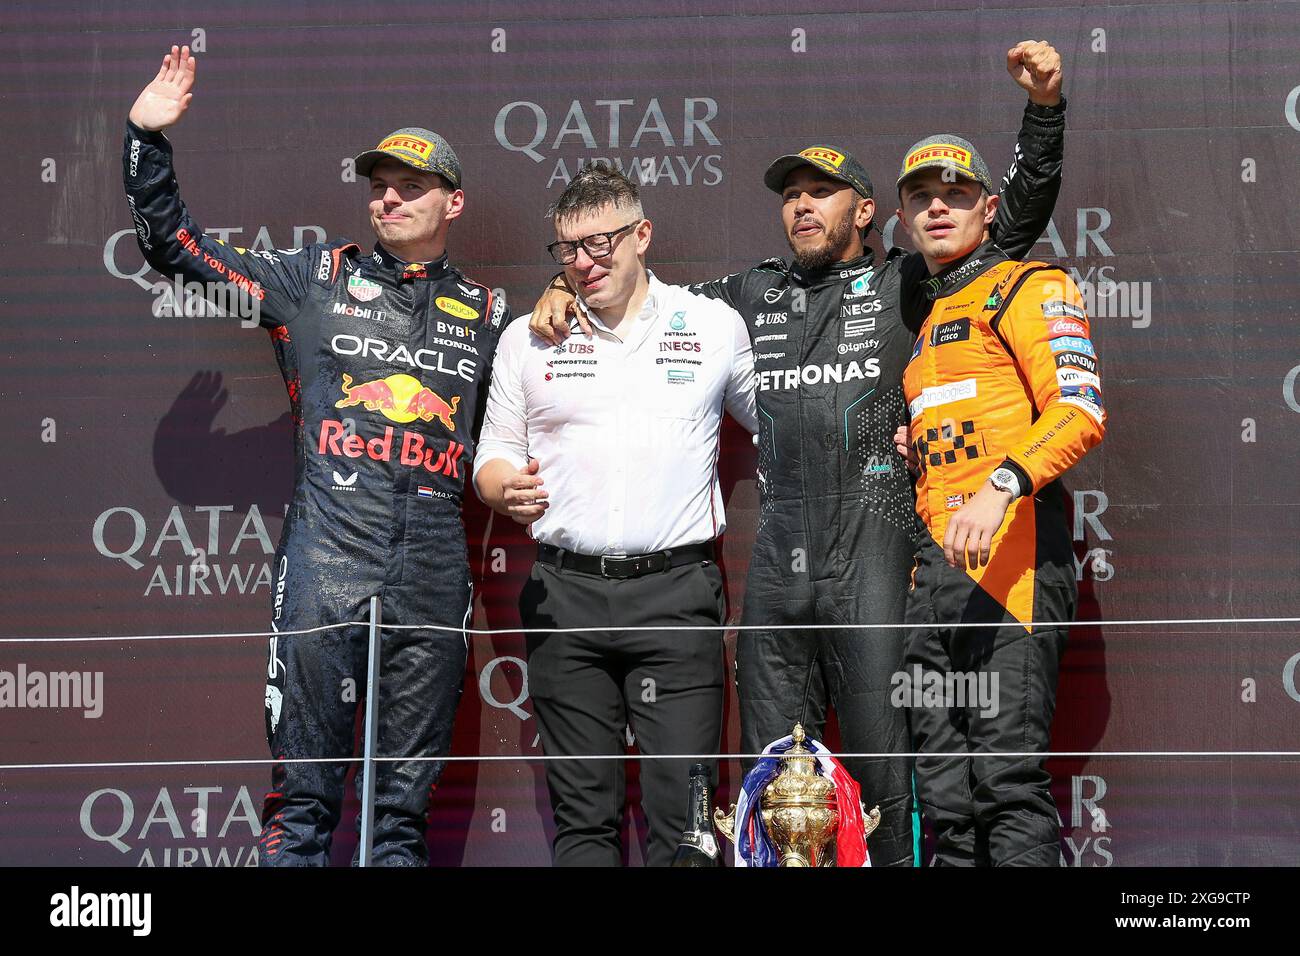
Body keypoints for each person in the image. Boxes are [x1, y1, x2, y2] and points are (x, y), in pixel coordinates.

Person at [528, 42, 1066, 867]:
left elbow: (1014, 226)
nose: (802, 205)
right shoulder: (749, 292)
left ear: (866, 213)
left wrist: (1044, 112)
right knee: (776, 788)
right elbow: (637, 296)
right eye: (790, 194)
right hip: (780, 569)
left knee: (897, 781)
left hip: (879, 555)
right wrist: (571, 283)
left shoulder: (910, 284)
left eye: (822, 192)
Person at [123, 45, 508, 865]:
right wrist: (146, 142)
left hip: (434, 569)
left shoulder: (489, 312)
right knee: (302, 809)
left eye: (410, 186)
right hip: (329, 558)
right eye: (379, 186)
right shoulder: (314, 279)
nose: (391, 197)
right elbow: (176, 249)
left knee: (403, 820)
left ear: (454, 202)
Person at [473, 163, 757, 866]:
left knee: (686, 827)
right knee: (583, 822)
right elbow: (492, 458)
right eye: (568, 248)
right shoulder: (526, 339)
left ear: (642, 235)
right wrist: (505, 489)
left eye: (601, 243)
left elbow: (783, 425)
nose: (582, 261)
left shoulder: (714, 326)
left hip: (678, 597)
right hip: (565, 597)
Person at [893, 132, 1105, 866]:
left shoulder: (1031, 285)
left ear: (990, 208)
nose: (937, 208)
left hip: (1012, 570)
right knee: (945, 801)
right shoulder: (921, 329)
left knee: (1007, 785)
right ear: (901, 219)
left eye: (955, 195)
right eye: (921, 197)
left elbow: (1079, 412)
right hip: (934, 584)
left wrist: (1002, 485)